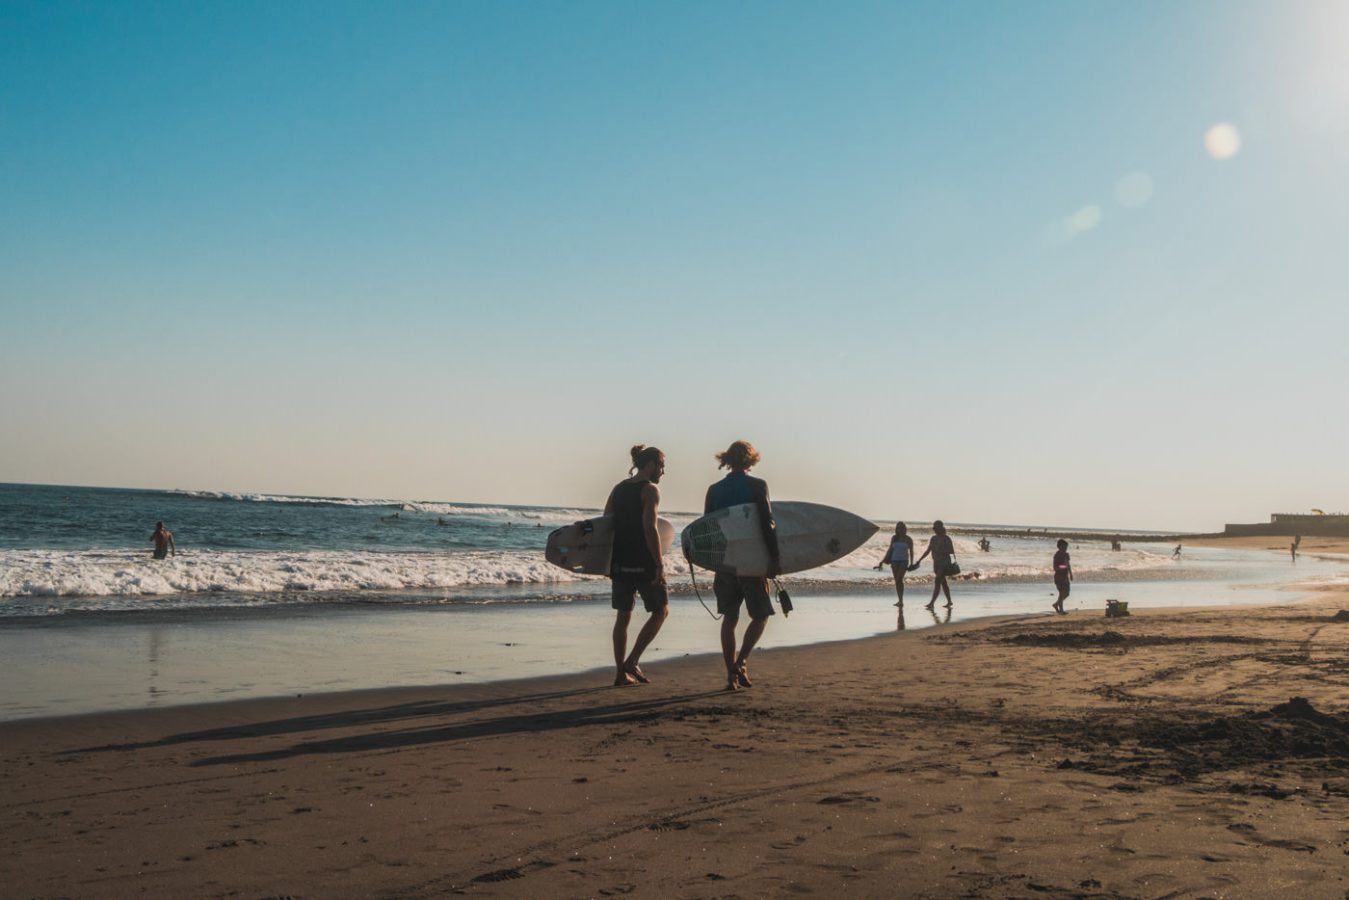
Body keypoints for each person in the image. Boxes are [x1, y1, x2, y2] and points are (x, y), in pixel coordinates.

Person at [705, 440, 781, 692]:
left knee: (730, 617)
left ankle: (731, 676)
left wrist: (710, 561)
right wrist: (774, 558)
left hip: (725, 562)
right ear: (751, 460)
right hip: (751, 562)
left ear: (727, 459)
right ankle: (742, 661)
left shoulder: (714, 490)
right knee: (760, 615)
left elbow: (707, 530)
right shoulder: (758, 486)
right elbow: (766, 524)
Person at [604, 445, 669, 687]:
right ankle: (632, 661)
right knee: (661, 610)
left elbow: (606, 524)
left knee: (623, 617)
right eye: (661, 466)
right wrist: (659, 564)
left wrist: (605, 562)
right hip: (643, 561)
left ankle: (620, 674)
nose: (663, 472)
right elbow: (650, 528)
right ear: (650, 464)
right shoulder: (650, 490)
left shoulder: (618, 489)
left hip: (620, 561)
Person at [913, 520, 956, 609]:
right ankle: (949, 601)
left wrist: (943, 552)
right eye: (934, 528)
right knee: (943, 583)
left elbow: (951, 552)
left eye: (936, 528)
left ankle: (932, 603)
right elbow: (928, 551)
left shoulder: (946, 538)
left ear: (941, 528)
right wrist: (919, 560)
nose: (935, 530)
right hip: (936, 563)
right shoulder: (933, 538)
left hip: (944, 563)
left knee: (937, 582)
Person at [874, 522, 915, 607]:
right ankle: (900, 600)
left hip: (904, 561)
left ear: (905, 529)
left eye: (902, 528)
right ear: (896, 529)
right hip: (894, 560)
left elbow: (911, 551)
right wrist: (882, 561)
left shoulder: (908, 539)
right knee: (897, 581)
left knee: (899, 579)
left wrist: (911, 563)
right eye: (898, 528)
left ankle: (901, 601)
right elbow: (890, 550)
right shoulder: (894, 538)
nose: (900, 530)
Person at [1052, 539, 1073, 614]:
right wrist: (1064, 567)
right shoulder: (1057, 555)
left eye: (1066, 547)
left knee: (1067, 593)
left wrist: (1071, 574)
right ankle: (1061, 610)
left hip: (1065, 577)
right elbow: (1055, 567)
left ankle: (1056, 604)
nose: (1065, 549)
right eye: (1064, 547)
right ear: (1059, 547)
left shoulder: (1066, 555)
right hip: (1059, 577)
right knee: (1062, 593)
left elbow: (1068, 565)